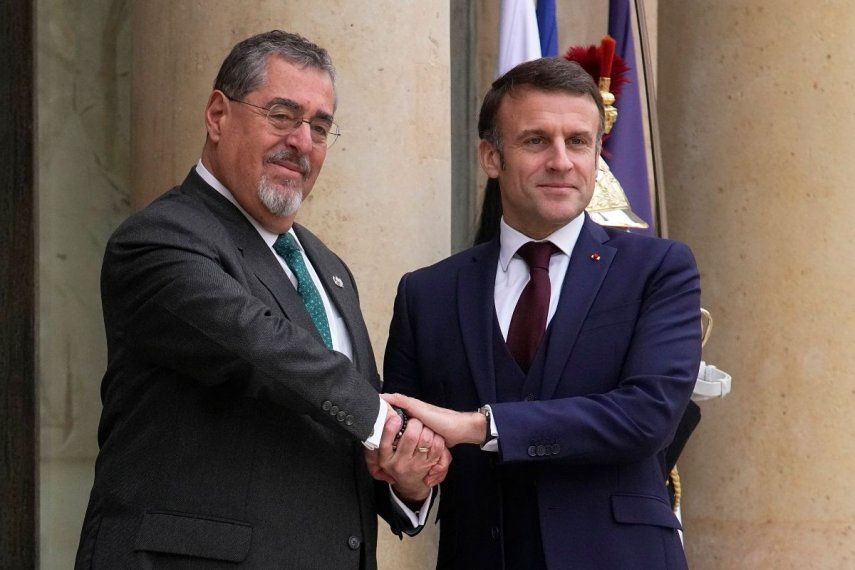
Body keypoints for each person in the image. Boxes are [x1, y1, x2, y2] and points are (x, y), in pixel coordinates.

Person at [75, 30, 447, 569]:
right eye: (281, 115)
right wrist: (390, 424)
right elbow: (261, 348)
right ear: (217, 115)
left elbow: (331, 429)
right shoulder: (160, 239)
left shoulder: (328, 268)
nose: (302, 141)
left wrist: (404, 476)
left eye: (319, 126)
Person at [382, 57, 701, 569]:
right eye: (536, 141)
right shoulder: (427, 293)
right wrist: (409, 481)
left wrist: (483, 426)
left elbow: (647, 415)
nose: (561, 160)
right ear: (491, 157)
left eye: (578, 141)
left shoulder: (658, 269)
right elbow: (401, 456)